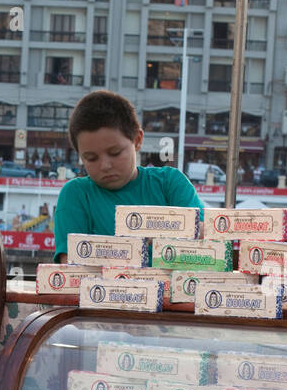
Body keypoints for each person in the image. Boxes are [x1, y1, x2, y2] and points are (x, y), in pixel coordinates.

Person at [52, 89, 204, 262]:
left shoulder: (170, 183)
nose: (105, 166)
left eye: (115, 153)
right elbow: (69, 266)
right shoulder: (76, 195)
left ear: (137, 140)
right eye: (91, 158)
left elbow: (208, 238)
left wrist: (173, 235)